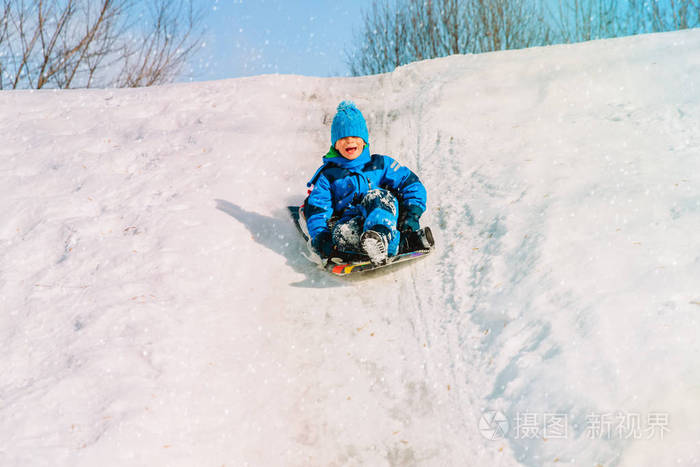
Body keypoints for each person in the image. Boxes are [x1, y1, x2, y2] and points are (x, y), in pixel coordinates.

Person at [303, 101, 431, 265]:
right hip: (351, 222)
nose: (349, 141)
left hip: (384, 216)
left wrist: (412, 212)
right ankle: (396, 244)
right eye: (343, 138)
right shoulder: (328, 176)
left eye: (355, 136)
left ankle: (382, 237)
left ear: (364, 141)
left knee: (376, 197)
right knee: (343, 234)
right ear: (335, 144)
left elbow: (411, 184)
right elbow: (317, 208)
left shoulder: (380, 164)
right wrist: (321, 237)